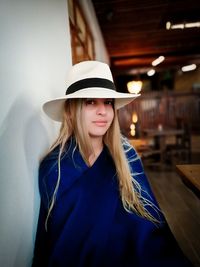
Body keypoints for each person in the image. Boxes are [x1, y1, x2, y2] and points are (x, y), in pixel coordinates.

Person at [32, 61, 193, 267]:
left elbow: (151, 224)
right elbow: (58, 238)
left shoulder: (127, 156)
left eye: (107, 102)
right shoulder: (54, 168)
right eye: (90, 102)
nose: (103, 111)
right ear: (71, 111)